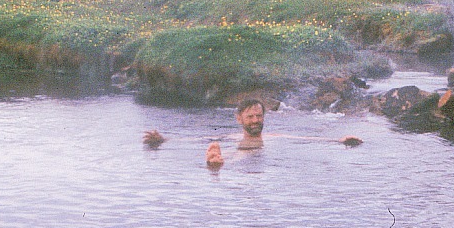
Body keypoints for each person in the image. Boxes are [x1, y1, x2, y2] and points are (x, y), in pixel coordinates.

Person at [144, 98, 362, 169]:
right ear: (239, 119)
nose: (256, 120)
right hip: (239, 149)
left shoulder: (274, 137)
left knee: (240, 155)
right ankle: (218, 161)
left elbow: (305, 140)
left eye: (259, 116)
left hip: (251, 152)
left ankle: (218, 161)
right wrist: (165, 140)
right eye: (251, 117)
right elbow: (194, 140)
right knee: (237, 153)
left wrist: (338, 140)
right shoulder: (231, 137)